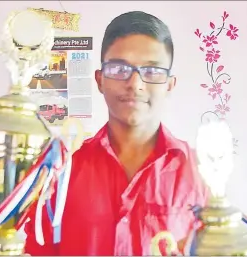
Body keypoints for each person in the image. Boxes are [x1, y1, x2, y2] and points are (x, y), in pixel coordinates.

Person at [24, 11, 208, 256]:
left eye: (152, 71)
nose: (135, 83)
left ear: (169, 85)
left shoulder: (201, 172)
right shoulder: (64, 169)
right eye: (120, 68)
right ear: (99, 80)